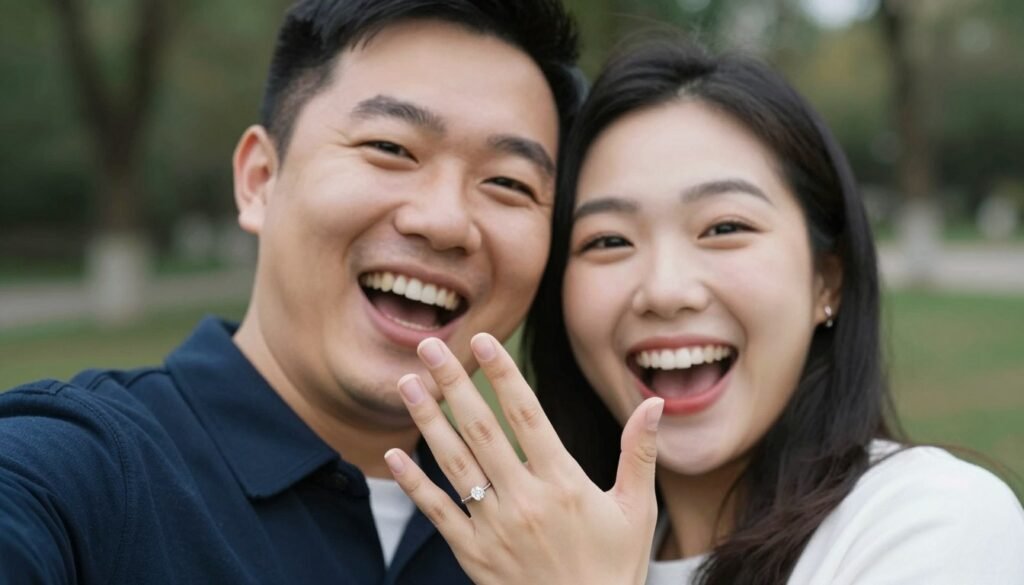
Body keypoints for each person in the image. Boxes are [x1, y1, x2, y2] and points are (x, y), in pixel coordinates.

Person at [383, 37, 1024, 584]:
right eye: (609, 240)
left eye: (724, 227)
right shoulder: (519, 552)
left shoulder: (932, 521)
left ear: (826, 279)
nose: (664, 290)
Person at [0, 0, 583, 582]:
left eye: (508, 183)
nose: (445, 221)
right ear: (259, 180)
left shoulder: (552, 541)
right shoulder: (79, 475)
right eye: (391, 148)